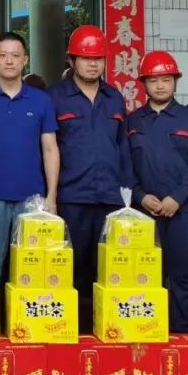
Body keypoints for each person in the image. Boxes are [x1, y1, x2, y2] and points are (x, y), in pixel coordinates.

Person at [47, 25, 135, 330]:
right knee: (69, 268)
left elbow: (123, 148)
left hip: (111, 199)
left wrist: (128, 195)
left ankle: (105, 329)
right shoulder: (54, 97)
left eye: (98, 58)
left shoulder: (115, 98)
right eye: (85, 58)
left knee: (109, 269)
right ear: (71, 60)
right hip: (71, 198)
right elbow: (46, 149)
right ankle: (70, 330)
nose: (93, 64)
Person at [128, 50, 188, 334]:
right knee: (144, 275)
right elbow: (125, 165)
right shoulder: (133, 121)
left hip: (184, 212)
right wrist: (140, 196)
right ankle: (146, 331)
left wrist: (177, 197)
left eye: (166, 79)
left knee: (183, 275)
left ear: (175, 82)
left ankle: (185, 332)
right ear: (144, 84)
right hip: (143, 214)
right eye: (153, 80)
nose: (160, 85)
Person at [0, 32, 59, 286]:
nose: (9, 61)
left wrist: (51, 196)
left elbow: (50, 149)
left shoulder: (41, 100)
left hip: (32, 199)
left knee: (30, 267)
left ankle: (24, 314)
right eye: (3, 55)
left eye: (15, 55)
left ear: (25, 59)